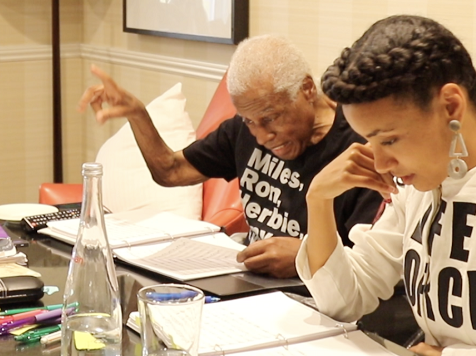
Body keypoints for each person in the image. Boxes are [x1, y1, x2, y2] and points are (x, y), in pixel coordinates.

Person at [296, 15, 476, 356]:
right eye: (369, 141)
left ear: (450, 106)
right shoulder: (423, 185)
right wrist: (318, 198)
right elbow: (344, 301)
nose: (379, 164)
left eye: (390, 140)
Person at [78, 34, 383, 279]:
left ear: (306, 89)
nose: (261, 136)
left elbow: (372, 266)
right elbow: (170, 172)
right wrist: (138, 115)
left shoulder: (360, 148)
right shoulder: (242, 130)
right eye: (250, 121)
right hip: (252, 287)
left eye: (271, 118)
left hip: (319, 301)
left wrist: (306, 255)